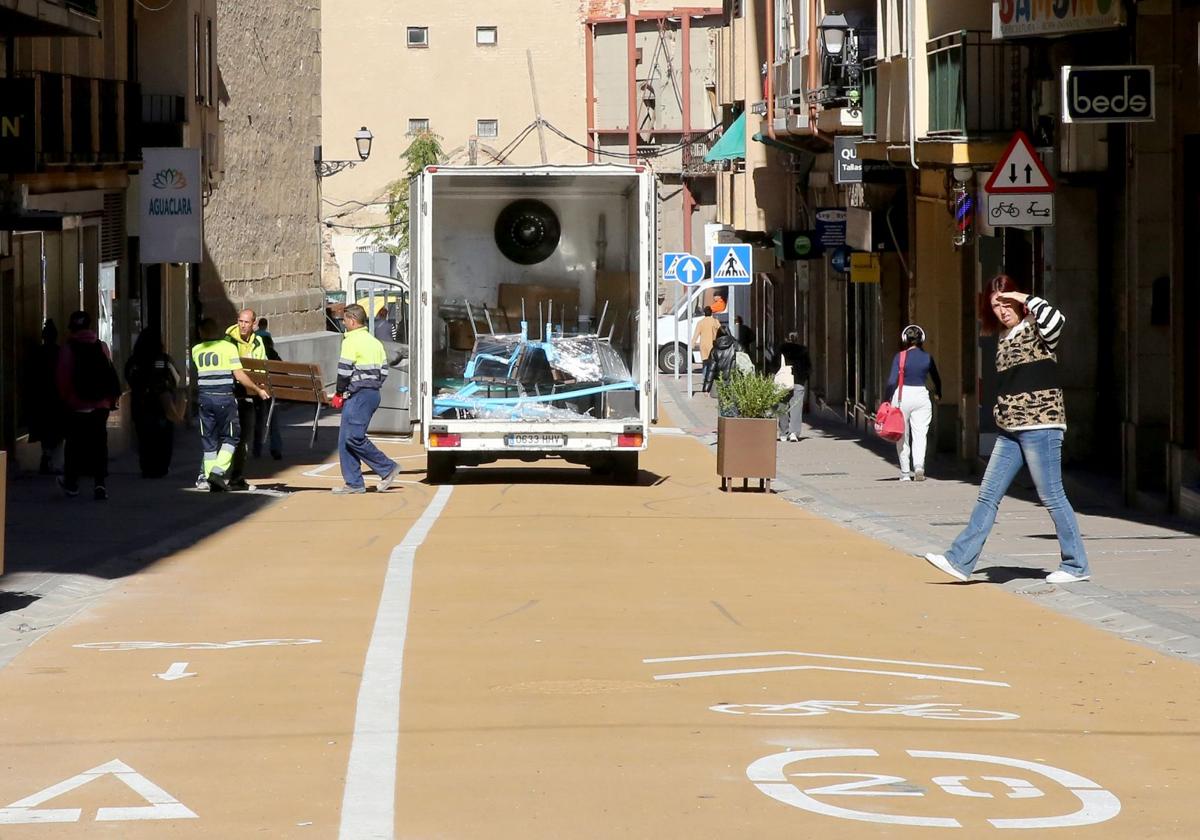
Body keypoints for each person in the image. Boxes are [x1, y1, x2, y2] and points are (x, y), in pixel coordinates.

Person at [924, 275, 1091, 585]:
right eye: (994, 305)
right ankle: (959, 560)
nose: (1001, 310)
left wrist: (1020, 294)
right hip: (1010, 429)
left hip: (1041, 424)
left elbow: (1058, 319)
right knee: (988, 495)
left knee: (1052, 495)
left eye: (1005, 302)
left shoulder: (1037, 328)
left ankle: (1076, 565)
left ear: (1017, 299)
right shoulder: (1002, 336)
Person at [192, 318, 269, 492]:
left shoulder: (196, 350)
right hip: (224, 398)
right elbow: (239, 375)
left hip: (204, 399)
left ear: (201, 333)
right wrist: (257, 389)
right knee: (231, 437)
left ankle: (209, 476)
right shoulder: (228, 347)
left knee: (209, 441)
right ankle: (217, 473)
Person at [332, 304, 399, 494]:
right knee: (345, 439)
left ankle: (387, 468)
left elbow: (344, 371)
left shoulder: (350, 341)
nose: (343, 323)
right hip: (371, 393)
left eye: (344, 320)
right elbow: (384, 371)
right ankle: (354, 483)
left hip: (358, 394)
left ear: (352, 321)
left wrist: (339, 392)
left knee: (353, 437)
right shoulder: (374, 342)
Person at [55, 311, 121, 500]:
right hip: (101, 406)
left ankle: (72, 484)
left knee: (74, 445)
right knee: (99, 445)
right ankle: (100, 485)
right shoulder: (101, 346)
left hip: (76, 405)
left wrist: (67, 399)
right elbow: (108, 373)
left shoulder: (68, 348)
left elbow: (62, 378)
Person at [124, 327, 184, 478]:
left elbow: (128, 379)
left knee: (144, 436)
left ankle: (147, 467)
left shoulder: (134, 360)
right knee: (163, 436)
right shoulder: (164, 359)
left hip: (140, 403)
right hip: (161, 403)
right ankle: (161, 467)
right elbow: (176, 378)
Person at [885, 325, 942, 481]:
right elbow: (936, 379)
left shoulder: (900, 356)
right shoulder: (927, 357)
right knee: (920, 434)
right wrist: (938, 393)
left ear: (905, 339)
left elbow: (891, 382)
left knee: (902, 435)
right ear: (922, 339)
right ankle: (919, 466)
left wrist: (887, 399)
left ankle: (904, 473)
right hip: (921, 396)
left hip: (902, 395)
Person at [225, 309, 268, 485]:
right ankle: (216, 474)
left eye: (246, 322)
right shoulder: (228, 341)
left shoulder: (258, 341)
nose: (242, 325)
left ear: (254, 324)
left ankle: (236, 475)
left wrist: (258, 385)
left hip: (249, 395)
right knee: (229, 436)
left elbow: (262, 366)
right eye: (240, 321)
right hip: (231, 393)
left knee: (244, 438)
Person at [26, 319, 65, 475]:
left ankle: (46, 454)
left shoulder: (37, 353)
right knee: (56, 430)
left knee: (45, 429)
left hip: (41, 398)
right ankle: (53, 460)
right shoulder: (60, 352)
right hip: (56, 397)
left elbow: (30, 377)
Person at [254, 317, 284, 460]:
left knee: (258, 419)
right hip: (270, 393)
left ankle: (256, 448)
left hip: (256, 392)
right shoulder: (273, 354)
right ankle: (276, 448)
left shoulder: (255, 355)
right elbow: (283, 373)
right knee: (273, 418)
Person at [776, 332, 812, 442]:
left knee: (782, 406)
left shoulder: (781, 350)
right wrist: (804, 377)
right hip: (798, 381)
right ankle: (794, 433)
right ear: (797, 339)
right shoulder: (803, 351)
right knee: (796, 408)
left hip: (783, 382)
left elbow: (774, 365)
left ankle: (783, 433)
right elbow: (808, 367)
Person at [691, 305, 721, 394]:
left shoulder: (701, 322)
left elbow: (696, 334)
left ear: (704, 313)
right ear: (711, 313)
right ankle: (712, 380)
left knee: (705, 364)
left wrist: (692, 344)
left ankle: (705, 380)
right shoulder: (715, 321)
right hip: (713, 345)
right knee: (714, 364)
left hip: (704, 345)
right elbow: (721, 331)